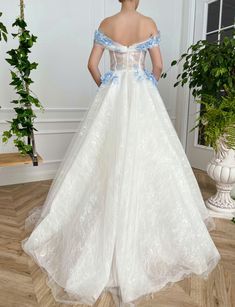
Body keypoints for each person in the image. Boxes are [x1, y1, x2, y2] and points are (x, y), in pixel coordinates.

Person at [21, 0, 221, 306]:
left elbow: (91, 64)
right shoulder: (149, 23)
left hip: (112, 94)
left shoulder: (106, 24)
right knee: (152, 158)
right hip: (142, 95)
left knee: (100, 159)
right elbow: (157, 66)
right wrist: (146, 84)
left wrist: (107, 84)